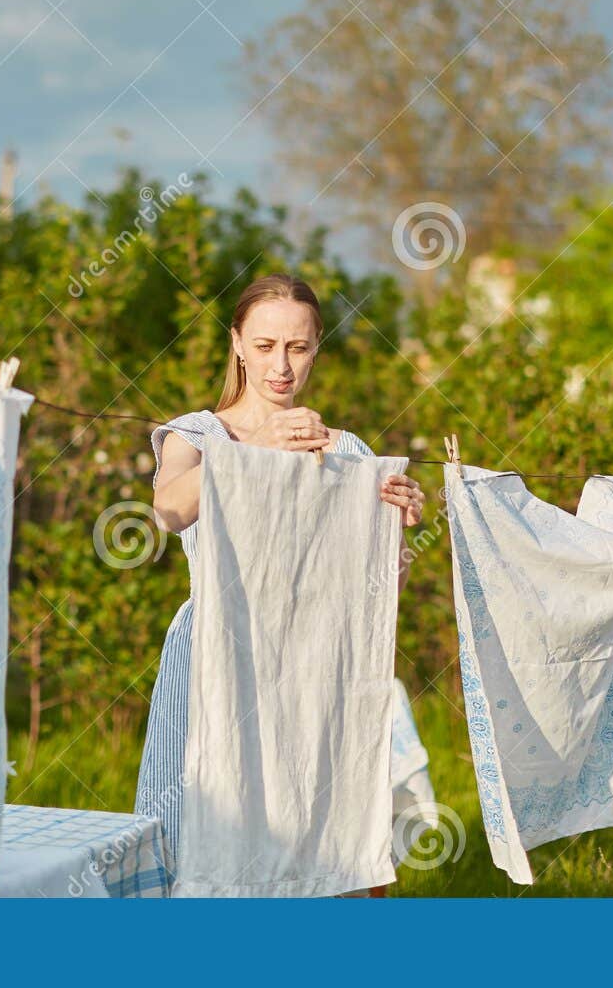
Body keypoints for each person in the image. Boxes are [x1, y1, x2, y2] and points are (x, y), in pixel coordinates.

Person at [135, 272, 425, 894]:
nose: (281, 366)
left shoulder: (344, 447)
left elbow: (379, 588)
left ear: (317, 347)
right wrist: (255, 447)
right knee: (207, 825)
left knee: (325, 829)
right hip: (220, 649)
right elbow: (167, 511)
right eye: (266, 346)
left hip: (317, 657)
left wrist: (397, 531)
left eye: (298, 347)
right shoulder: (198, 434)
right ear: (237, 342)